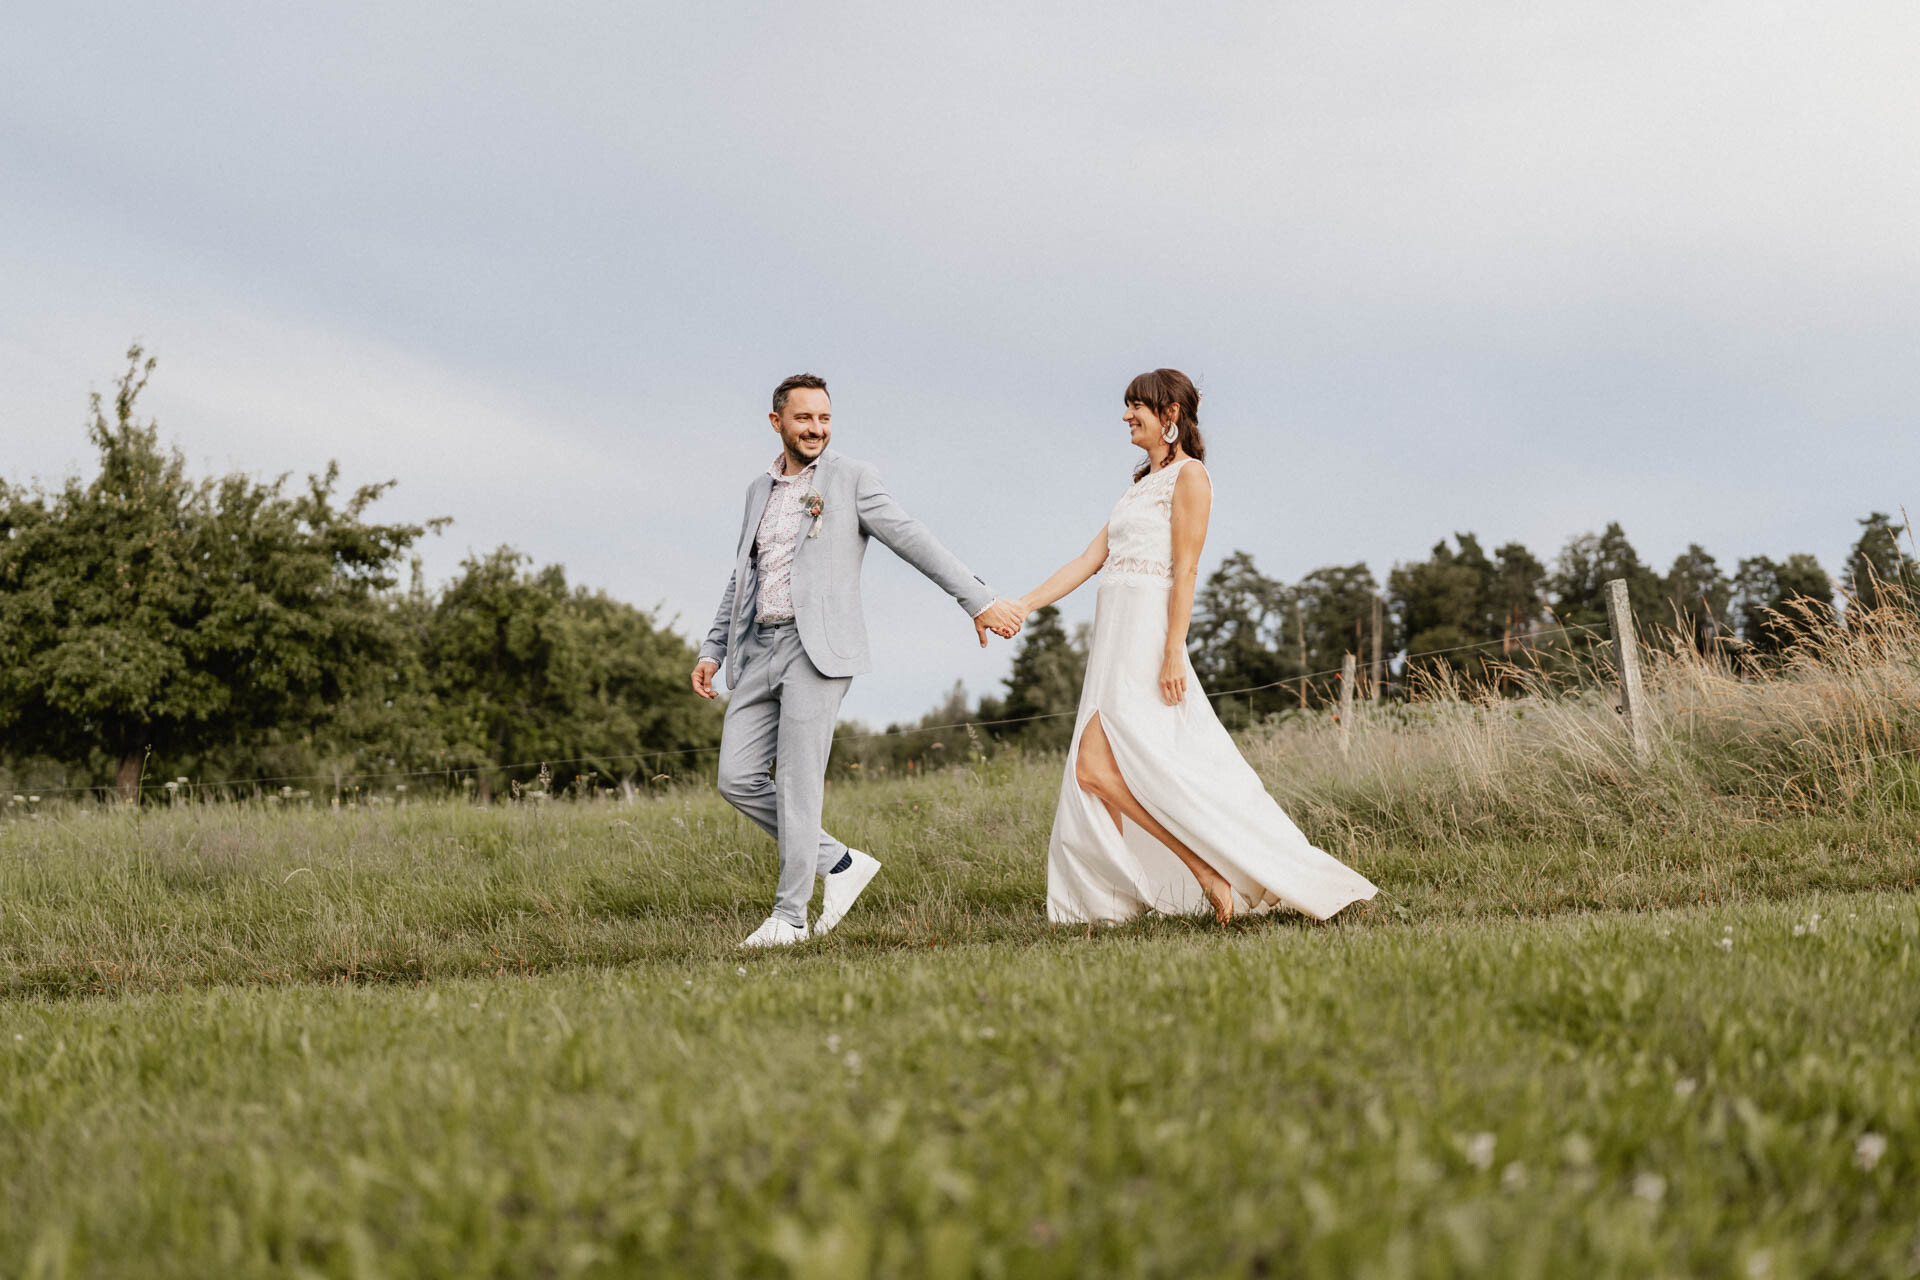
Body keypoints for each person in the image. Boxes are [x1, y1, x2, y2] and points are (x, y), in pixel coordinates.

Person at [1001, 369, 1378, 925]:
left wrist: (1174, 649)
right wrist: (1024, 606)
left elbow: (1187, 569)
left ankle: (1209, 874)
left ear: (1170, 415)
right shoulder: (1136, 488)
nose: (1127, 416)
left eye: (1138, 408)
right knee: (1101, 770)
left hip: (1147, 635)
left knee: (1103, 765)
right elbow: (1088, 560)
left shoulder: (1191, 478)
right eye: (1127, 407)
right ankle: (1192, 876)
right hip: (1113, 633)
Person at [692, 373, 1025, 949]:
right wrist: (713, 647)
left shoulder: (850, 479)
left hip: (816, 652)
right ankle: (840, 863)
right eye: (804, 419)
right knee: (736, 778)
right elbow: (741, 574)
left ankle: (789, 918)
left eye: (823, 418)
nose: (816, 428)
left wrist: (979, 600)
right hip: (757, 649)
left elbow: (912, 538)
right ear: (778, 423)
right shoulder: (757, 491)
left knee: (798, 783)